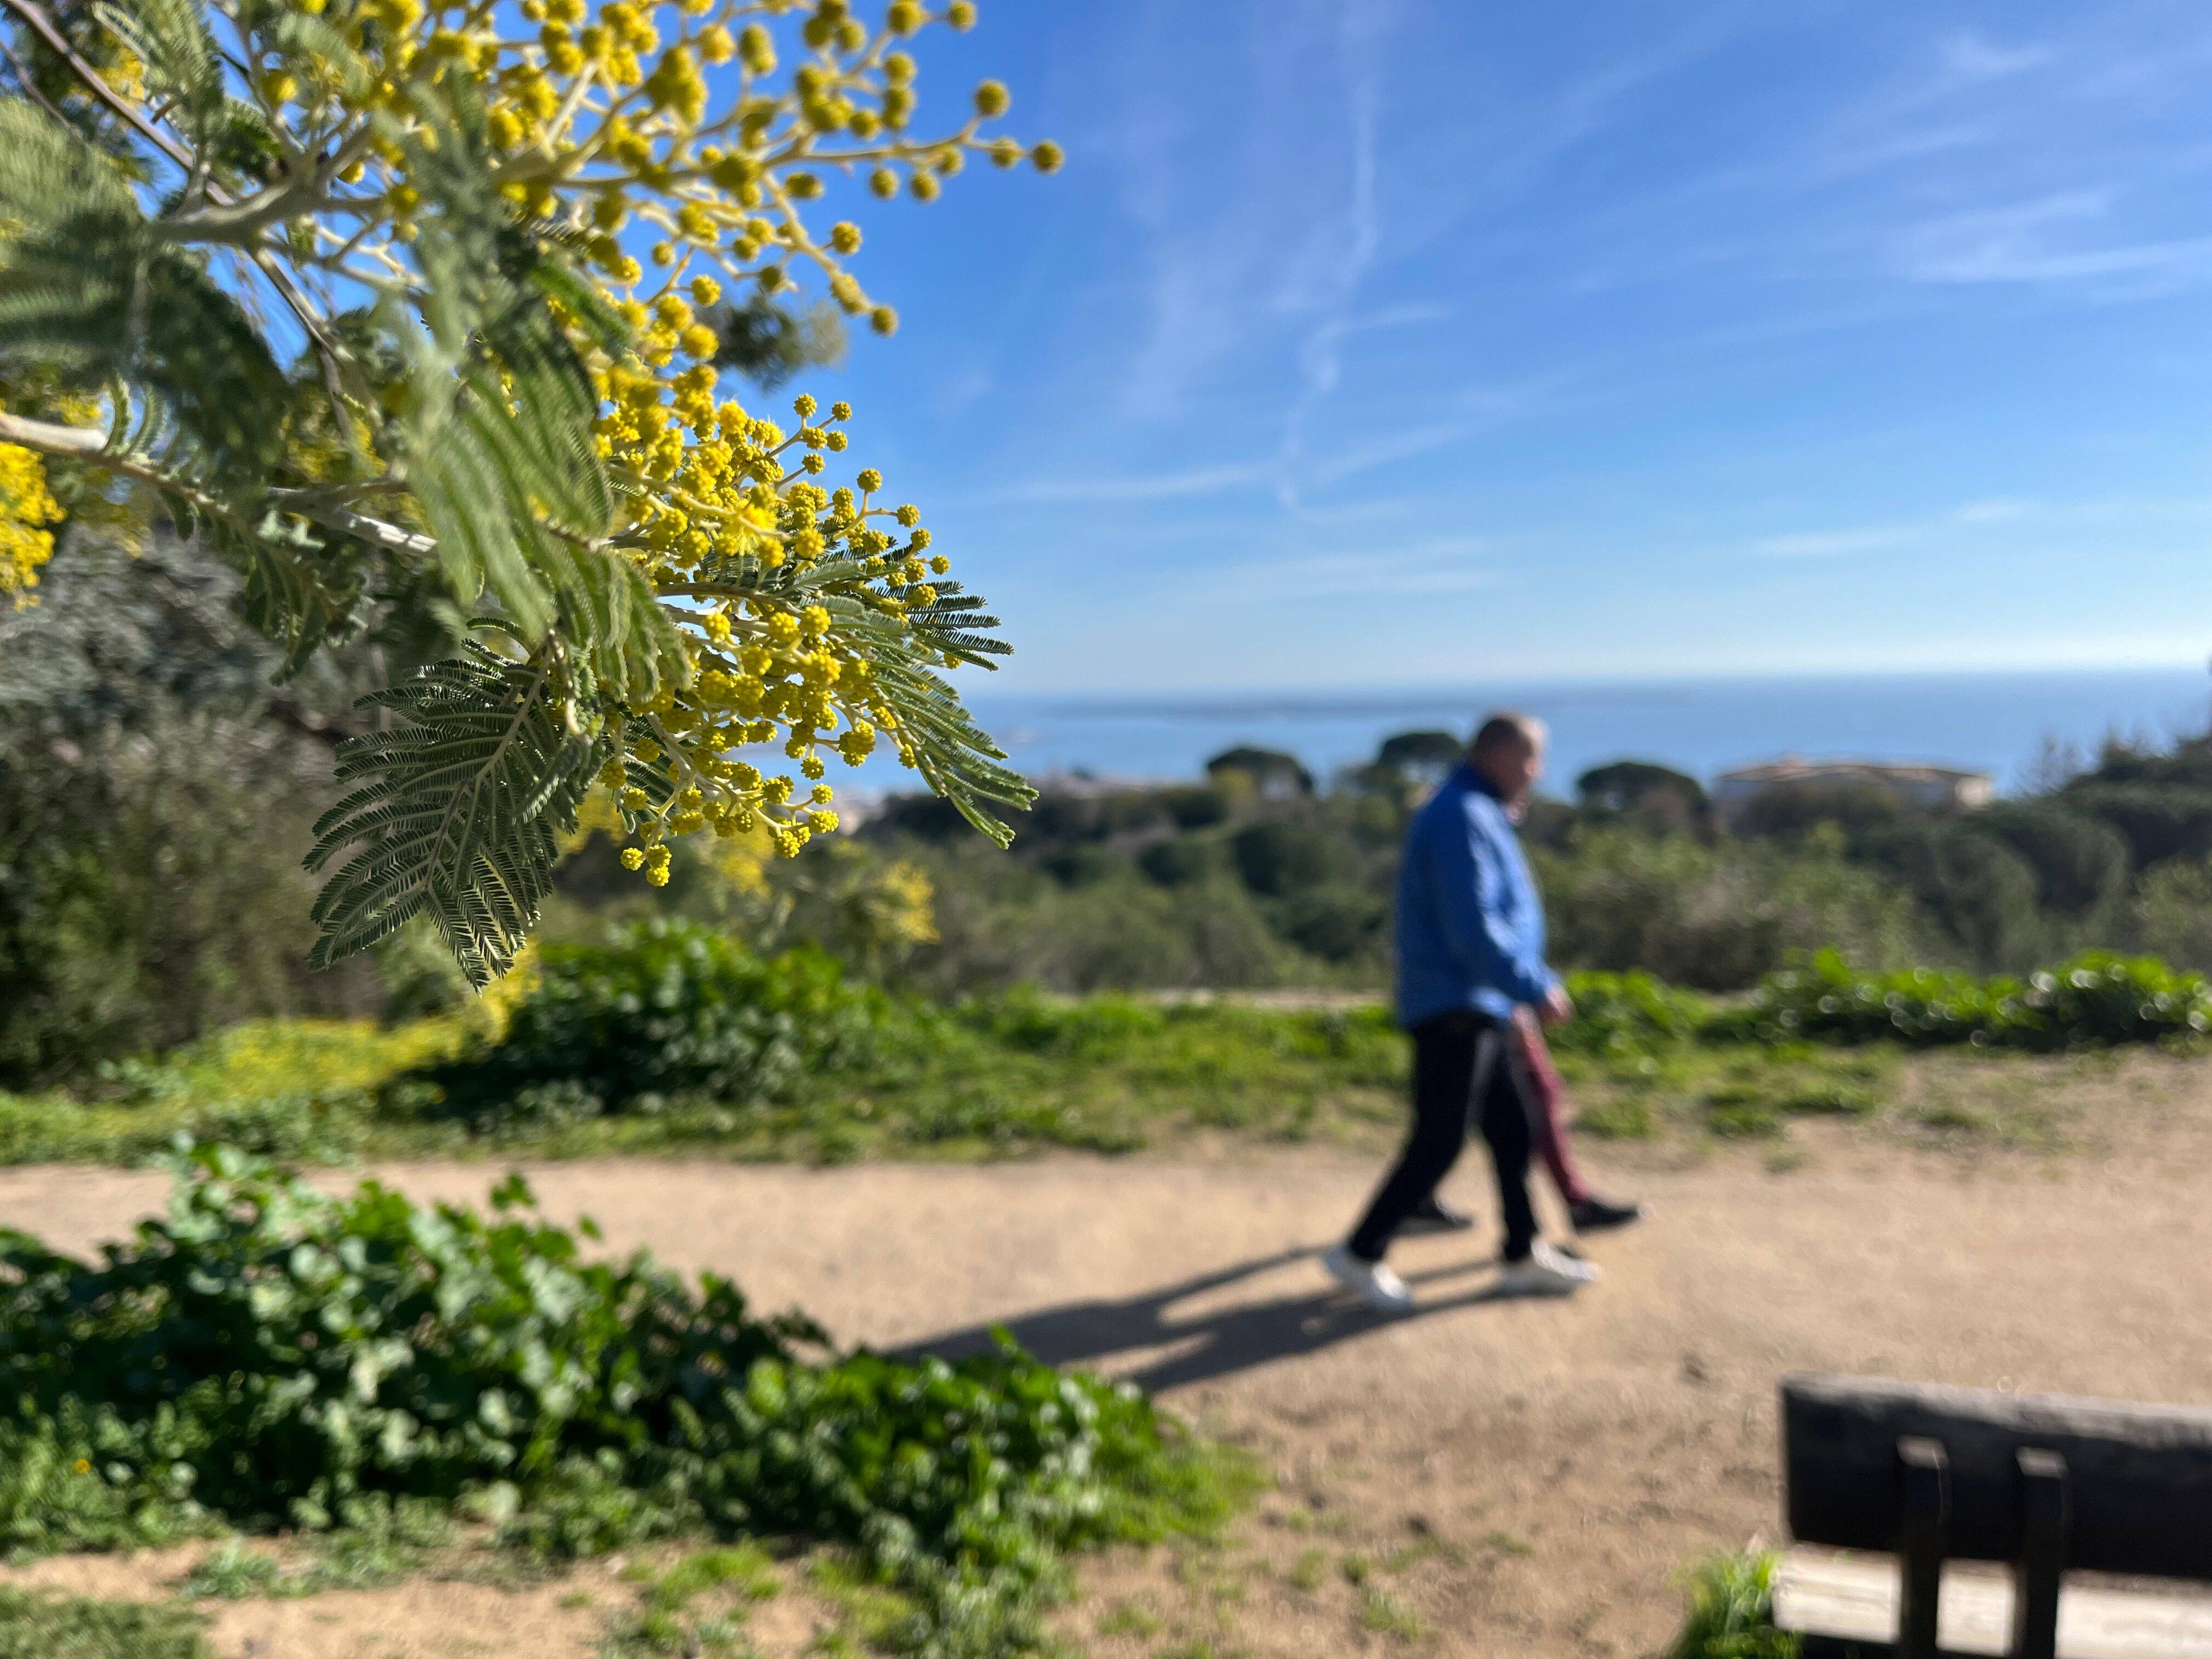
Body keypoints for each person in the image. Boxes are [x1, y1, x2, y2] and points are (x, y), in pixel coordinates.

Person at [1324, 713, 1596, 1310]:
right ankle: (1360, 1253)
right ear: (1497, 755)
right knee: (1440, 1141)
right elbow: (1472, 927)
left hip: (1479, 1005)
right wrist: (1532, 986)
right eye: (1531, 758)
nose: (1538, 772)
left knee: (1513, 1129)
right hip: (1455, 1007)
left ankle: (1522, 1254)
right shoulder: (1462, 816)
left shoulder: (1475, 811)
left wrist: (1514, 991)